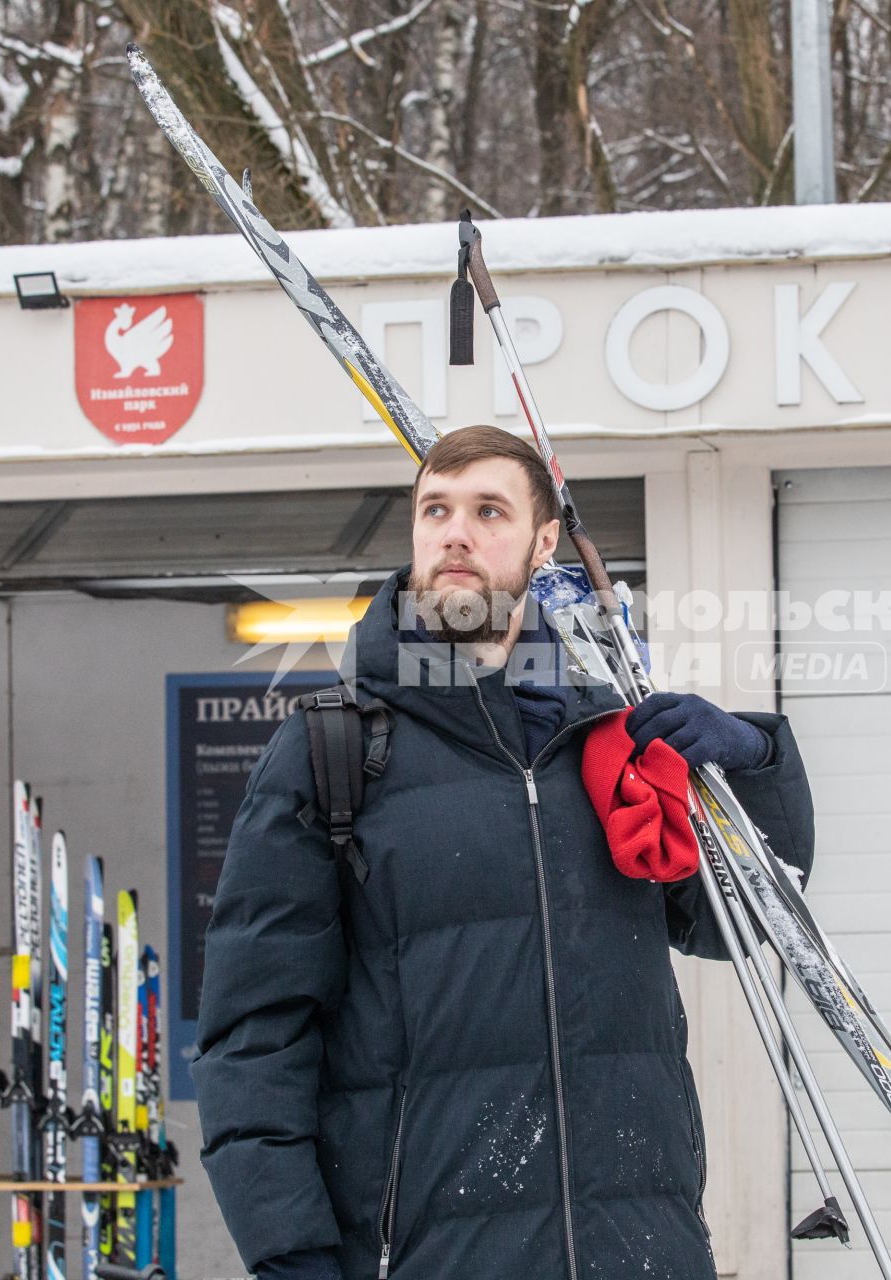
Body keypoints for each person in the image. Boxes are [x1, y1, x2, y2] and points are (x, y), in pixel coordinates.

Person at [194, 425, 817, 1280]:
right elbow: (252, 1032)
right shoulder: (332, 751)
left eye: (489, 511)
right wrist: (290, 1251)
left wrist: (755, 764)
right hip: (424, 1254)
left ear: (544, 540)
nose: (455, 533)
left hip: (636, 1244)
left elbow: (743, 928)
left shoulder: (610, 743)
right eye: (435, 510)